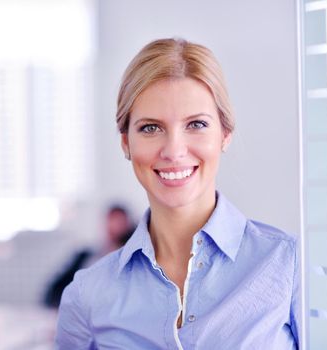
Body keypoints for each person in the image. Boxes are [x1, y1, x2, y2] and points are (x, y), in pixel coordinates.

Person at [55, 38, 301, 349]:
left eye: (196, 124)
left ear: (225, 134)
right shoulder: (87, 296)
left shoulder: (290, 265)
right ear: (125, 142)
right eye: (150, 128)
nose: (173, 150)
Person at [44, 205, 135, 308]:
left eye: (119, 223)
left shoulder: (133, 260)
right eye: (111, 221)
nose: (114, 227)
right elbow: (53, 292)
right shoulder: (85, 256)